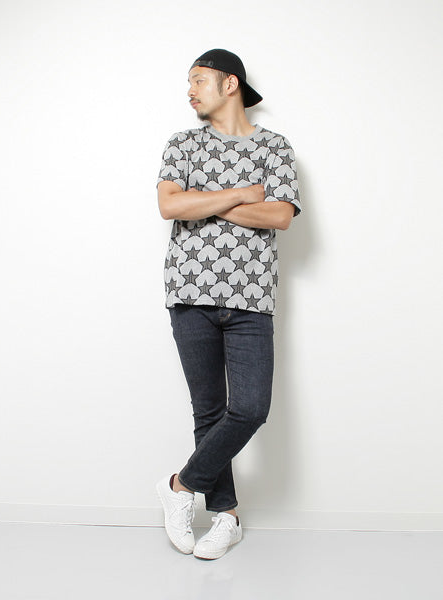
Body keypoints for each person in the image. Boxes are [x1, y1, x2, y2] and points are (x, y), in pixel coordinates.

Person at [155, 48, 301, 560]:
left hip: (252, 298)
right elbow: (170, 205)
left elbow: (280, 216)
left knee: (250, 409)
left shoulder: (275, 147)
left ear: (230, 83)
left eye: (198, 80)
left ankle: (180, 485)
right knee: (209, 412)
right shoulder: (183, 144)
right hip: (189, 293)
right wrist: (244, 194)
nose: (190, 90)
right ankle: (227, 516)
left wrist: (205, 201)